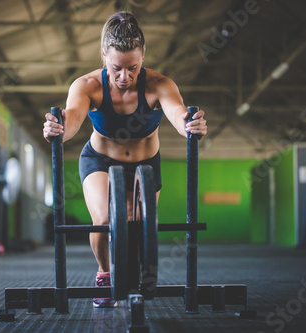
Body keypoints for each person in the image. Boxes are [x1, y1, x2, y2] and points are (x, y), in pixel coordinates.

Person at [43, 11, 207, 308]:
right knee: (104, 219)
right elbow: (73, 122)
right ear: (104, 55)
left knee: (141, 224)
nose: (125, 77)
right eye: (117, 68)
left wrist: (191, 125)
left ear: (143, 55)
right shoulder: (87, 85)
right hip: (100, 160)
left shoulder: (159, 84)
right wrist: (58, 129)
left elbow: (178, 115)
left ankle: (136, 277)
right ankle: (104, 275)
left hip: (146, 165)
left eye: (133, 67)